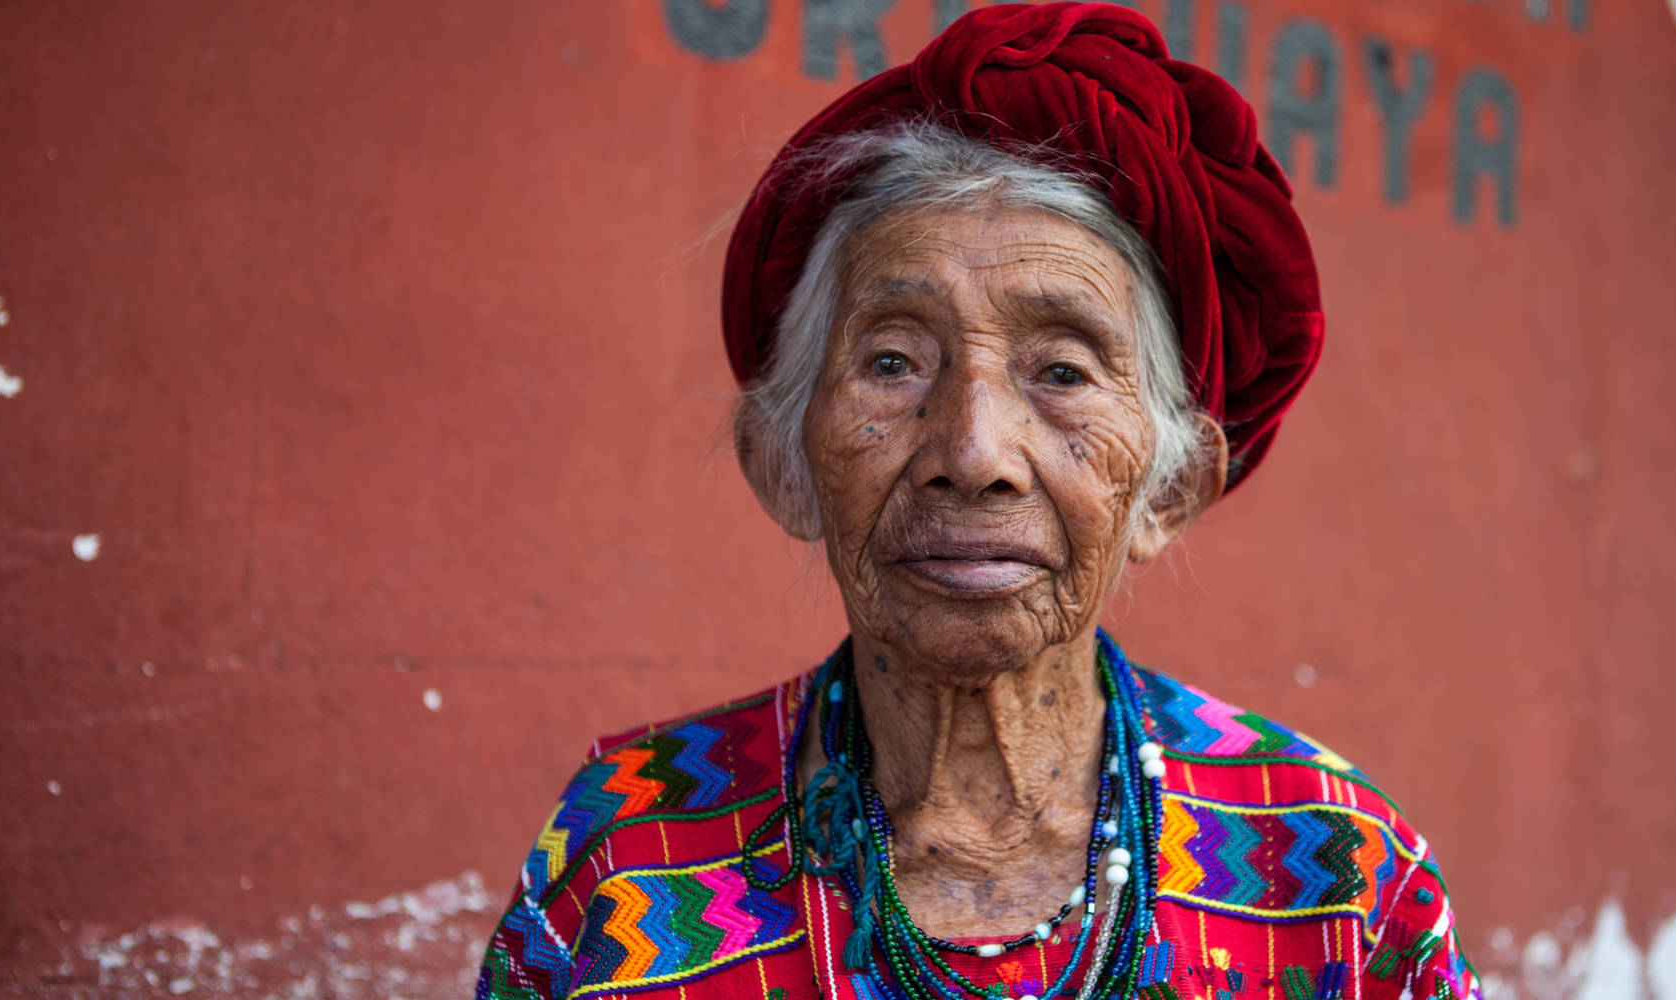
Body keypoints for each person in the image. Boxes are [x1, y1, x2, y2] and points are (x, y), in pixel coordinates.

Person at [476, 5, 1480, 999]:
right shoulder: (629, 841)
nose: (972, 451)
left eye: (1061, 370)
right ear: (780, 462)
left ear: (1170, 489)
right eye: (893, 361)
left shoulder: (1335, 873)